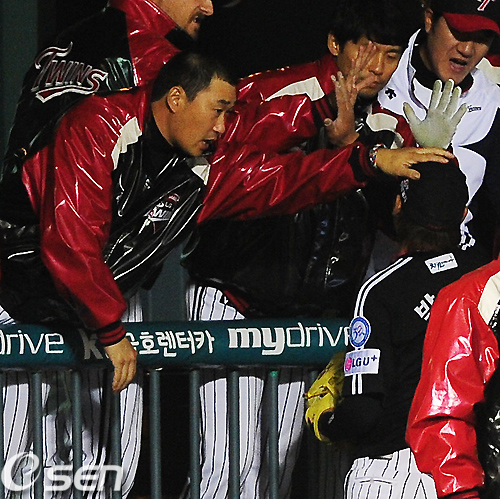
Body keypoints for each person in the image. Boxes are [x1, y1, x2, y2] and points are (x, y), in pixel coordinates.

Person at [179, 1, 462, 497]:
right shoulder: (279, 94)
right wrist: (331, 145)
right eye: (366, 50)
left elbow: (406, 223)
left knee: (275, 472)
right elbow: (219, 169)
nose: (376, 67)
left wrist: (432, 157)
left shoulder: (387, 123)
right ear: (335, 44)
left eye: (390, 55)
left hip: (311, 313)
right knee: (228, 472)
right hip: (237, 297)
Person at [0, 51, 238, 498]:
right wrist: (110, 328)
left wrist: (357, 159)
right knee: (15, 463)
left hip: (84, 310)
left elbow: (277, 168)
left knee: (95, 468)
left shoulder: (190, 161)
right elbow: (70, 241)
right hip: (17, 299)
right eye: (218, 110)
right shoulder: (97, 125)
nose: (222, 127)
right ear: (175, 98)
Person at [314, 161, 485, 499]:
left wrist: (329, 423)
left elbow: (364, 413)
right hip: (465, 468)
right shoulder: (484, 278)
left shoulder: (381, 291)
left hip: (394, 470)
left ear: (398, 206)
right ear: (463, 214)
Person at [377, 0, 500, 261]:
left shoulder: (493, 99)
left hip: (455, 271)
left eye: (482, 37)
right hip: (372, 264)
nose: (467, 49)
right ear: (430, 19)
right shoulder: (380, 67)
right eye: (460, 31)